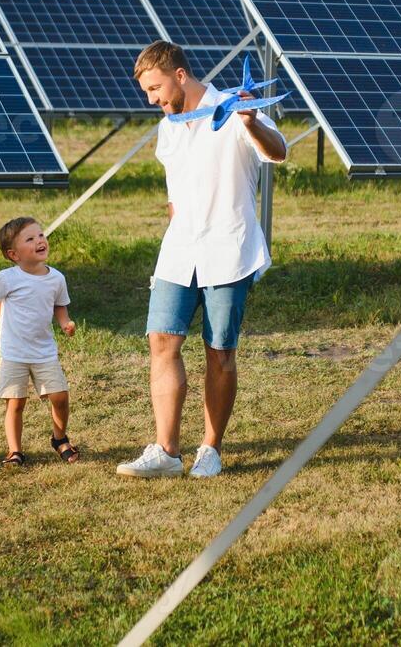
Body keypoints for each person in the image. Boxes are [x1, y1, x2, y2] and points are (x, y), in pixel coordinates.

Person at [118, 42, 286, 479]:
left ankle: (210, 449)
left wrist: (250, 122)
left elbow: (278, 151)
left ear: (179, 75)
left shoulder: (234, 109)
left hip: (229, 251)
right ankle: (166, 451)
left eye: (155, 88)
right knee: (162, 341)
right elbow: (175, 192)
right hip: (179, 251)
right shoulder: (169, 126)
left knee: (219, 353)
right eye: (147, 93)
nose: (152, 99)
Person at [0, 217, 79, 467]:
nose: (40, 241)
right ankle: (14, 451)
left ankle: (59, 438)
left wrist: (65, 322)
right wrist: (3, 316)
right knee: (16, 402)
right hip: (13, 353)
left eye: (40, 235)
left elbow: (60, 304)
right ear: (13, 254)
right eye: (30, 239)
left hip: (44, 352)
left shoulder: (56, 278)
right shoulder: (8, 278)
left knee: (59, 396)